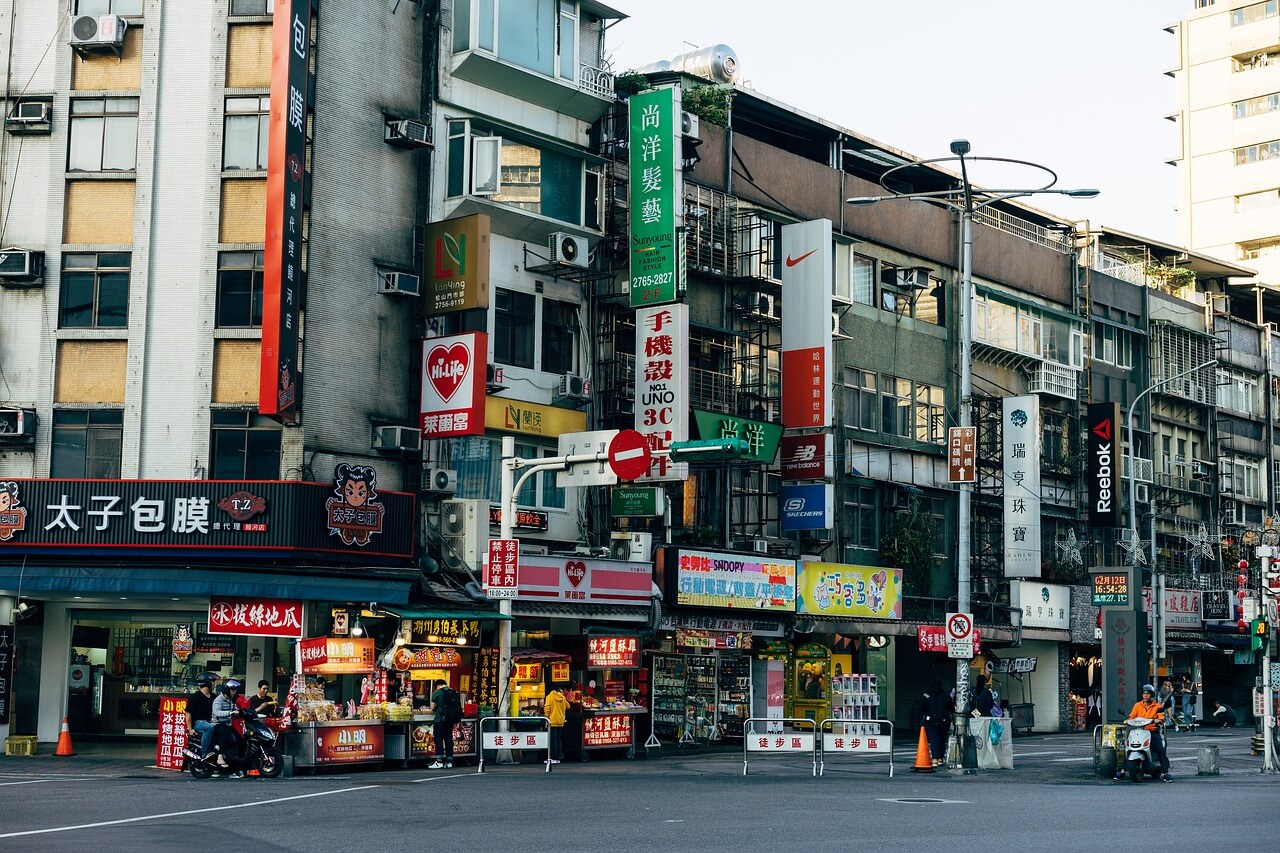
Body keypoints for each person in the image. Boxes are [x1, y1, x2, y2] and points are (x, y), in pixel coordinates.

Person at [1128, 683, 1172, 782]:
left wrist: (1158, 720)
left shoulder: (1158, 706)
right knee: (1127, 746)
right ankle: (1122, 770)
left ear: (1152, 695)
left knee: (1160, 750)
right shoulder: (1137, 705)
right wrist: (1128, 720)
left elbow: (1161, 717)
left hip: (1152, 731)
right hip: (1139, 730)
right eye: (1144, 694)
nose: (1145, 696)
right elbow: (1132, 716)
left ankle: (1166, 773)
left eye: (1148, 694)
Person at [210, 678, 249, 770]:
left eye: (235, 690)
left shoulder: (232, 700)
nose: (234, 692)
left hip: (227, 724)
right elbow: (216, 712)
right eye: (233, 690)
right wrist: (230, 713)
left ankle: (237, 762)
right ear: (227, 690)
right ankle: (220, 757)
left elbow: (236, 709)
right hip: (217, 724)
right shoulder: (218, 700)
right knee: (225, 733)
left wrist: (243, 712)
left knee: (241, 740)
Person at [429, 679, 462, 769]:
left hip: (440, 719)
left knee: (439, 740)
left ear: (437, 685)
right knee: (448, 739)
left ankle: (439, 761)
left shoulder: (437, 693)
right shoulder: (454, 692)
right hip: (451, 720)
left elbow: (432, 707)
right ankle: (449, 761)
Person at [185, 672, 218, 760]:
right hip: (198, 722)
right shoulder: (195, 697)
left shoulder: (214, 696)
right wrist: (190, 729)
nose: (214, 684)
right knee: (209, 728)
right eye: (213, 682)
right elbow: (188, 713)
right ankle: (205, 754)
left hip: (211, 721)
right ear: (207, 683)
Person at [922, 681, 952, 767]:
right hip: (944, 720)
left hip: (931, 720)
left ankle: (935, 758)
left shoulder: (927, 695)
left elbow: (921, 707)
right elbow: (951, 707)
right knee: (942, 739)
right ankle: (940, 758)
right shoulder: (946, 695)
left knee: (934, 739)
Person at [544, 684, 569, 765]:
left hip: (552, 721)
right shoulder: (562, 697)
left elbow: (547, 708)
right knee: (558, 740)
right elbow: (568, 706)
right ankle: (557, 758)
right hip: (561, 721)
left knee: (552, 741)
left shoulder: (549, 697)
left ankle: (552, 758)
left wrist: (546, 719)